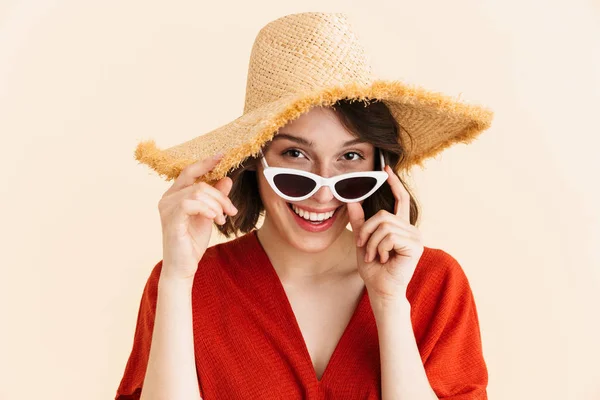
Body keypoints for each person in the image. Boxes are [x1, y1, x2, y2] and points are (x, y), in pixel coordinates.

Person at [116, 12, 492, 400]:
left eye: (350, 158)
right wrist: (178, 279)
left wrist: (390, 303)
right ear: (253, 160)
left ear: (380, 167)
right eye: (296, 154)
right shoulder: (186, 284)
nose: (323, 193)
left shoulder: (433, 283)